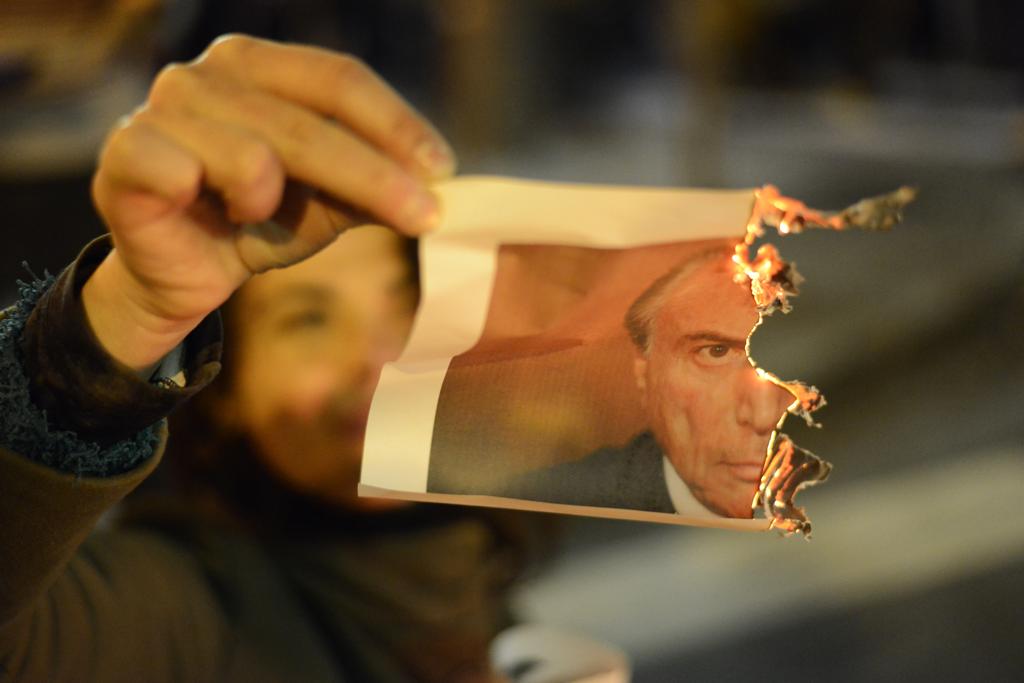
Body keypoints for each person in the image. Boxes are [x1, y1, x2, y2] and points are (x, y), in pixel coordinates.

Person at [0, 35, 548, 682]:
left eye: (408, 302)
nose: (378, 363)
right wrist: (126, 312)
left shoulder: (484, 566)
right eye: (308, 318)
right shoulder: (182, 612)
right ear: (226, 398)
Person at [501, 248, 795, 519]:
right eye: (715, 352)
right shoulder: (548, 506)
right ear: (645, 377)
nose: (763, 415)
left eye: (787, 360)